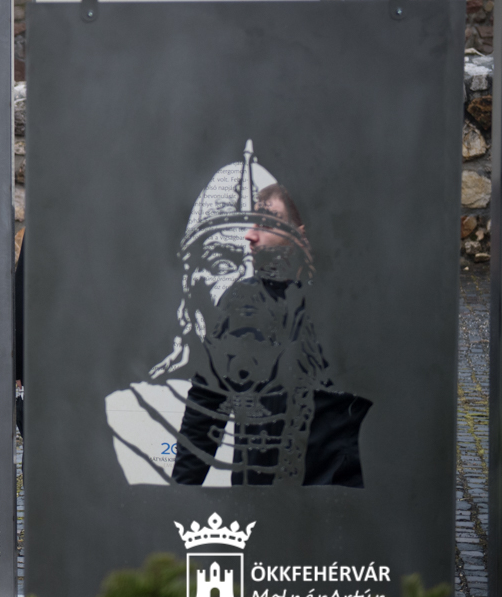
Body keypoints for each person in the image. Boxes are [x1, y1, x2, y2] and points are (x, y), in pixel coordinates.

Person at [102, 141, 371, 488]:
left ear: (300, 235)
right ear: (189, 281)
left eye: (265, 222)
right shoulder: (240, 302)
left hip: (335, 495)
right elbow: (204, 409)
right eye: (220, 262)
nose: (251, 236)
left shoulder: (345, 306)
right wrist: (181, 500)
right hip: (260, 498)